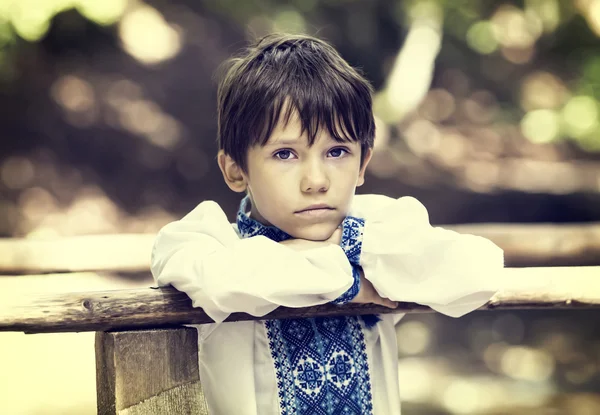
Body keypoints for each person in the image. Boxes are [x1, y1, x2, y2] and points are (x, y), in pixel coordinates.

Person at [151, 33, 504, 415]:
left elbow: (479, 271)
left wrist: (349, 247)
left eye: (337, 152)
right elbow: (221, 283)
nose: (316, 180)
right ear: (235, 170)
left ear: (363, 164)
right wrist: (353, 284)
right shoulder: (205, 240)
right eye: (285, 154)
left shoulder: (376, 230)